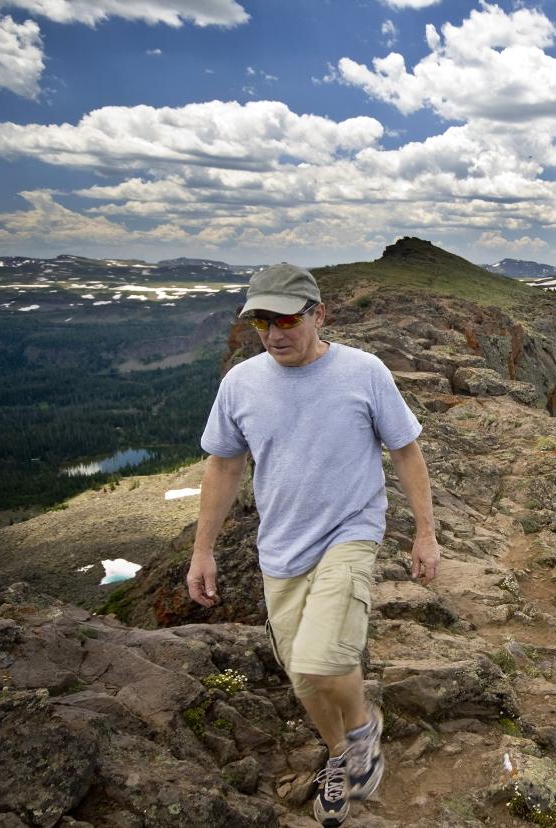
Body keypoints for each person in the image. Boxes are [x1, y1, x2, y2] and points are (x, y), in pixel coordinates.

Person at [185, 262, 439, 826]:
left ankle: (362, 729)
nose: (274, 333)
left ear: (318, 315)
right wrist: (202, 551)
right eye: (261, 323)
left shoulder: (364, 372)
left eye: (286, 319)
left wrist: (425, 533)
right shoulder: (241, 384)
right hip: (280, 549)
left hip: (350, 533)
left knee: (324, 660)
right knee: (303, 676)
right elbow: (224, 466)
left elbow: (406, 450)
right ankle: (338, 758)